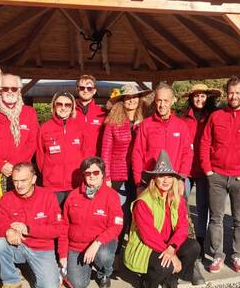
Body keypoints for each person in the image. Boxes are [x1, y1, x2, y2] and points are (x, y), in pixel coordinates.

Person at [200, 76, 240, 274]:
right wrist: (208, 169)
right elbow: (205, 142)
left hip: (239, 178)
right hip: (216, 175)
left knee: (239, 219)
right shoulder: (216, 116)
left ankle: (238, 256)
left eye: (237, 93)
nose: (234, 96)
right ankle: (217, 255)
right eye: (231, 93)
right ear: (227, 94)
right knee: (216, 218)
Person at [124, 150, 201, 288]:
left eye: (169, 176)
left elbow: (182, 226)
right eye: (161, 176)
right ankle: (146, 285)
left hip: (168, 244)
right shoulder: (143, 202)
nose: (165, 180)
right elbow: (148, 235)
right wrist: (171, 257)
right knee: (165, 265)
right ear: (154, 179)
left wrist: (172, 248)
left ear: (174, 179)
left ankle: (170, 280)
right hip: (146, 245)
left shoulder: (178, 199)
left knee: (193, 247)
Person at [0, 163, 63, 288]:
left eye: (23, 180)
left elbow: (58, 229)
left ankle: (30, 269)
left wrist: (28, 229)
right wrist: (7, 231)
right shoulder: (6, 199)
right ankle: (11, 281)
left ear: (34, 179)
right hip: (17, 246)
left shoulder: (47, 196)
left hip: (41, 248)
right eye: (15, 181)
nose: (19, 185)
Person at [58, 157, 123, 288]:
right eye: (88, 173)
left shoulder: (111, 196)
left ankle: (103, 273)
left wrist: (96, 243)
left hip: (101, 244)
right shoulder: (73, 196)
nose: (92, 176)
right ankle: (85, 265)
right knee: (78, 285)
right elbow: (64, 227)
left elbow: (116, 226)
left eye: (96, 172)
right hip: (77, 246)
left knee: (103, 255)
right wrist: (63, 255)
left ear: (103, 174)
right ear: (83, 175)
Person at [101, 83, 152, 244]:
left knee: (138, 211)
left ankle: (133, 246)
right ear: (122, 100)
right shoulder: (112, 122)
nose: (131, 100)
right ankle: (114, 249)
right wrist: (106, 176)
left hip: (139, 173)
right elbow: (105, 150)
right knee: (120, 212)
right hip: (118, 174)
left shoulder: (145, 121)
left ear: (139, 99)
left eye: (134, 97)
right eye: (127, 97)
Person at [0, 74, 39, 204]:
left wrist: (16, 165)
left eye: (14, 88)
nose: (10, 91)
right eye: (5, 88)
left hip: (21, 174)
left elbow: (32, 141)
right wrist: (0, 164)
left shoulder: (29, 113)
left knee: (20, 210)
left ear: (19, 90)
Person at [131, 83, 192, 193]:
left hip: (174, 183)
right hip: (150, 183)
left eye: (166, 101)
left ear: (173, 100)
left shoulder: (181, 126)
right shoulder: (146, 125)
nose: (162, 104)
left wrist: (181, 178)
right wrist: (138, 182)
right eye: (159, 100)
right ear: (155, 101)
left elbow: (187, 153)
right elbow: (137, 153)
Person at [182, 83, 220, 255]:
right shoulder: (183, 118)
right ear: (191, 98)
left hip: (204, 168)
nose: (199, 99)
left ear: (208, 98)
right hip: (186, 168)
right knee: (181, 204)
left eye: (203, 96)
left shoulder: (213, 117)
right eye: (196, 96)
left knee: (202, 206)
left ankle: (201, 240)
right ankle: (183, 237)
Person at [36, 91, 86, 205]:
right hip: (52, 186)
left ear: (72, 107)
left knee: (73, 219)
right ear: (54, 105)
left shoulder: (80, 127)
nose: (63, 108)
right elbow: (40, 156)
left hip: (75, 184)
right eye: (59, 104)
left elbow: (85, 153)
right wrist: (48, 174)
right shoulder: (45, 128)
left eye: (67, 105)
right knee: (54, 219)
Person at [75, 75, 105, 157]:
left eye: (89, 88)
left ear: (94, 91)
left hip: (95, 161)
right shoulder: (69, 111)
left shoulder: (102, 113)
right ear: (77, 89)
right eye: (82, 88)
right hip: (73, 160)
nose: (85, 90)